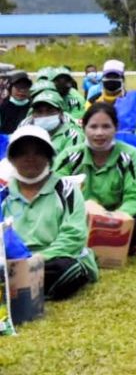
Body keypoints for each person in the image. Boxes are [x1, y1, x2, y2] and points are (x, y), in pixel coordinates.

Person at [1, 126, 98, 299]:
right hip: (13, 263)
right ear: (12, 158)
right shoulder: (4, 195)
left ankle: (21, 289)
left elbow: (74, 236)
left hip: (54, 259)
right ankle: (27, 288)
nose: (30, 158)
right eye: (22, 153)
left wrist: (38, 259)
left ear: (49, 157)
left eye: (38, 152)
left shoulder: (66, 189)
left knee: (68, 269)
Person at [57, 103, 136, 254]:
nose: (99, 133)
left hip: (116, 219)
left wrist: (111, 217)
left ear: (116, 128)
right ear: (83, 128)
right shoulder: (69, 156)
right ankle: (122, 245)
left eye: (106, 126)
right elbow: (55, 192)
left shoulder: (130, 155)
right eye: (93, 127)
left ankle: (91, 244)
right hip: (79, 219)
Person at [0, 69, 32, 134]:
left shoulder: (33, 107)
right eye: (18, 86)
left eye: (25, 87)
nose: (22, 90)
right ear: (10, 88)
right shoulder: (3, 107)